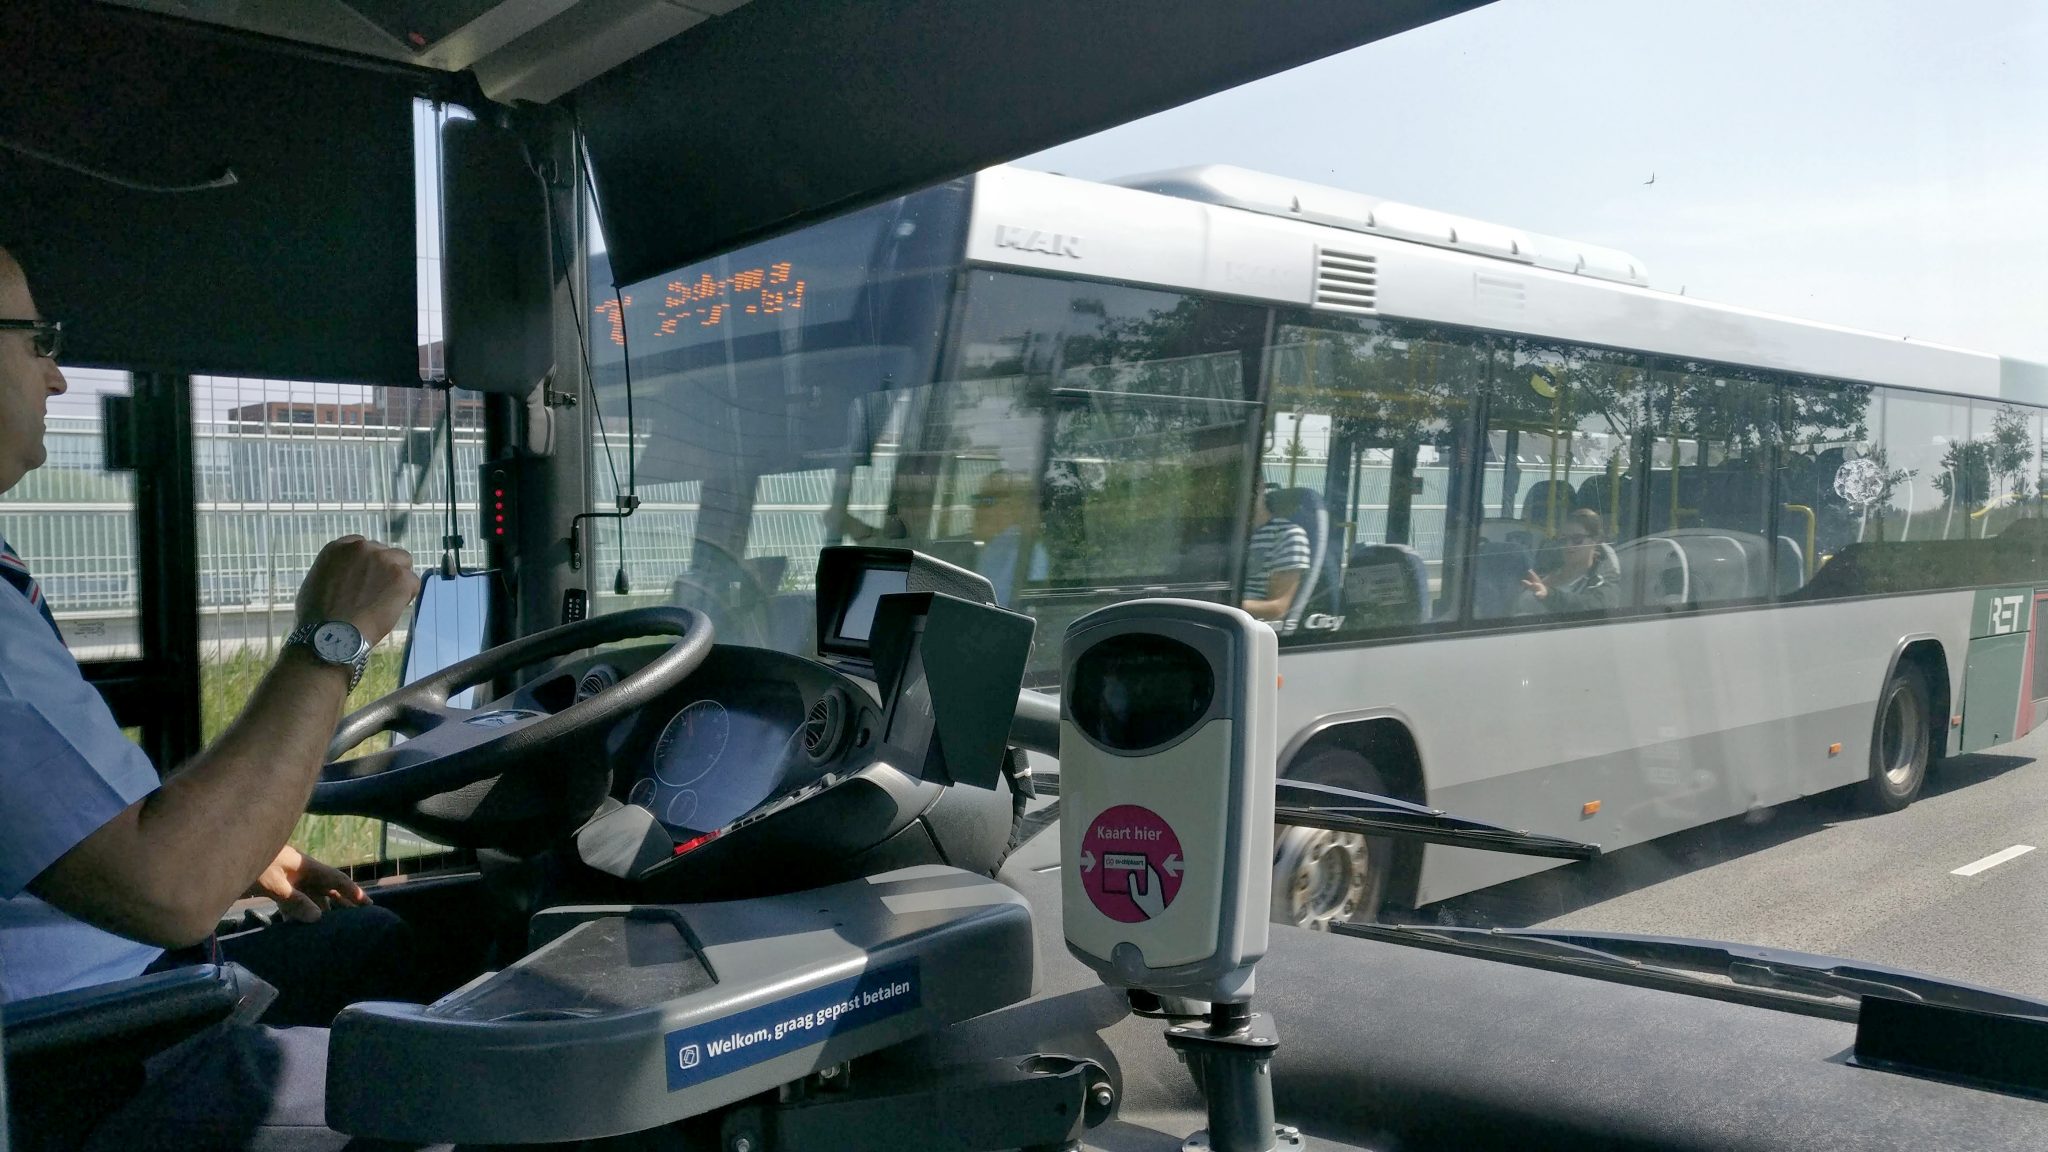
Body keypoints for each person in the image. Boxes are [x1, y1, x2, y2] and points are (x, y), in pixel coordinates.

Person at [0, 244, 430, 1149]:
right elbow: (167, 892)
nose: (59, 376)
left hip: (102, 983)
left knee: (381, 938)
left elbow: (68, 818)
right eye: (35, 341)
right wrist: (331, 641)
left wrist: (227, 845)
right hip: (68, 1062)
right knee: (454, 1082)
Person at [971, 469, 1048, 609]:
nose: (978, 509)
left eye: (988, 501)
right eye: (977, 499)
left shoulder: (1027, 554)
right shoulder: (992, 548)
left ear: (1010, 507)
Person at [1517, 507, 1617, 614]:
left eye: (1577, 539)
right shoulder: (1545, 568)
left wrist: (1549, 595)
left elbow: (1599, 607)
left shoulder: (1600, 579)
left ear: (1595, 540)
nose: (1568, 545)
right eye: (1564, 539)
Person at [1241, 484, 1310, 623]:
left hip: (1253, 633)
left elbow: (1277, 609)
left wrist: (1221, 603)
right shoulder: (1227, 537)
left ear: (1258, 487)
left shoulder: (1288, 536)